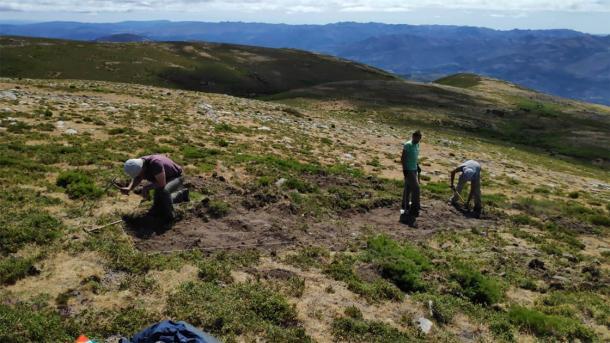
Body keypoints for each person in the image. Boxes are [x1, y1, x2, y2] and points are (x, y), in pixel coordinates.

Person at [120, 154, 188, 222]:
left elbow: (162, 184)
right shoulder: (138, 163)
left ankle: (171, 216)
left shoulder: (155, 164)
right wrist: (129, 188)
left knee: (164, 192)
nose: (140, 175)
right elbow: (138, 177)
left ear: (142, 167)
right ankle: (162, 207)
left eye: (140, 173)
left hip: (177, 176)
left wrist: (146, 188)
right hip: (162, 177)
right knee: (158, 202)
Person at [401, 130, 422, 219]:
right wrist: (405, 170)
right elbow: (403, 158)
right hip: (408, 169)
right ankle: (414, 207)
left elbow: (415, 157)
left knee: (408, 188)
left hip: (414, 169)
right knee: (416, 188)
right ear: (413, 136)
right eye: (417, 137)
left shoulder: (417, 145)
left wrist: (417, 165)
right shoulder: (408, 145)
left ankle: (404, 204)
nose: (418, 140)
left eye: (419, 138)